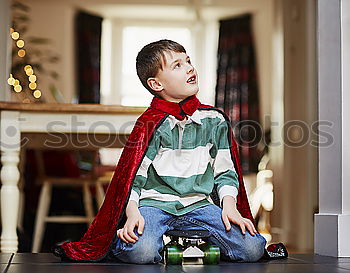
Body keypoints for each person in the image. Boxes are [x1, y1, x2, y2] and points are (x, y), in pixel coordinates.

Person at [53, 39, 267, 263]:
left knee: (253, 248)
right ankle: (129, 242)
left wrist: (230, 206)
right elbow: (133, 177)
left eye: (188, 61)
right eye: (177, 65)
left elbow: (225, 171)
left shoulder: (214, 120)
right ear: (156, 84)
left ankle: (198, 242)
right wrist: (132, 211)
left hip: (200, 205)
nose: (189, 67)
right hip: (153, 205)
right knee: (140, 252)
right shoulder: (150, 124)